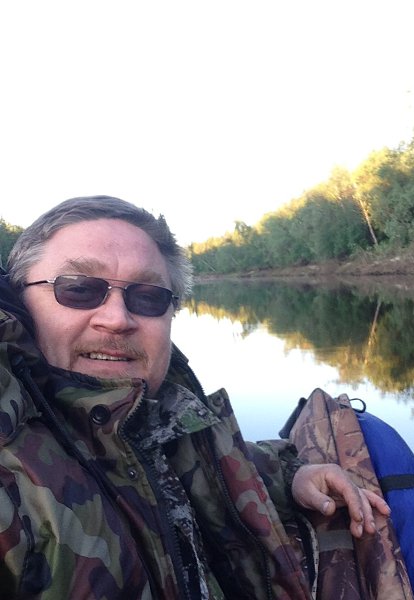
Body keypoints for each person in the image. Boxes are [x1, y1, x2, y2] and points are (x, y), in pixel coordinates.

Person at [0, 195, 390, 599]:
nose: (117, 319)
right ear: (19, 303)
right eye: (79, 289)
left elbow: (192, 461)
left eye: (148, 296)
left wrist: (292, 476)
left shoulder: (158, 418)